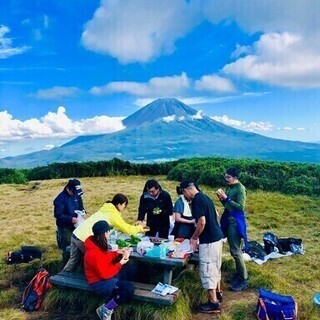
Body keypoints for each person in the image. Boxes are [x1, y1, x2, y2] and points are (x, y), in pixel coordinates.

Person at [63, 193, 148, 272]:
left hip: (76, 233)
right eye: (124, 206)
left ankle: (63, 276)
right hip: (84, 238)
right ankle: (93, 279)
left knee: (73, 259)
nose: (124, 208)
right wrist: (140, 228)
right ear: (119, 204)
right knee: (95, 260)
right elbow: (127, 229)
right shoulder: (113, 214)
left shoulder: (106, 208)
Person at [180, 180, 224, 314]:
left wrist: (194, 237)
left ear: (186, 190)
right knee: (216, 266)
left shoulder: (197, 200)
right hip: (217, 237)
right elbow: (216, 214)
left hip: (209, 241)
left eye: (184, 193)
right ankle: (218, 293)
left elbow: (202, 222)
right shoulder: (205, 197)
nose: (185, 197)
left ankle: (213, 303)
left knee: (208, 268)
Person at [84, 220, 135, 320]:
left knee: (132, 270)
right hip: (99, 282)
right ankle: (106, 309)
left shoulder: (96, 243)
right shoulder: (93, 253)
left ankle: (117, 291)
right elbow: (105, 274)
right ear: (104, 234)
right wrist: (120, 263)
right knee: (129, 289)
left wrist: (118, 252)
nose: (109, 234)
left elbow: (105, 257)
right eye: (108, 232)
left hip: (105, 276)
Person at [217, 167, 249, 292]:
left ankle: (244, 278)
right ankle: (239, 274)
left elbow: (240, 207)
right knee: (233, 250)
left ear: (236, 177)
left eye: (228, 177)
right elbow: (228, 205)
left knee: (236, 251)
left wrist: (226, 199)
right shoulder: (229, 187)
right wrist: (222, 200)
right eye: (225, 177)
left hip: (235, 221)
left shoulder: (240, 189)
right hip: (227, 218)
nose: (226, 179)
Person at [53, 178, 85, 266]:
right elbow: (58, 215)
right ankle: (65, 268)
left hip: (77, 225)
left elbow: (80, 205)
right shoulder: (59, 200)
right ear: (68, 189)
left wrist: (83, 212)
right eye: (73, 192)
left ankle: (76, 265)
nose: (75, 194)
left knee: (79, 246)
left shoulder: (77, 194)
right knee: (68, 248)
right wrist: (70, 219)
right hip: (65, 228)